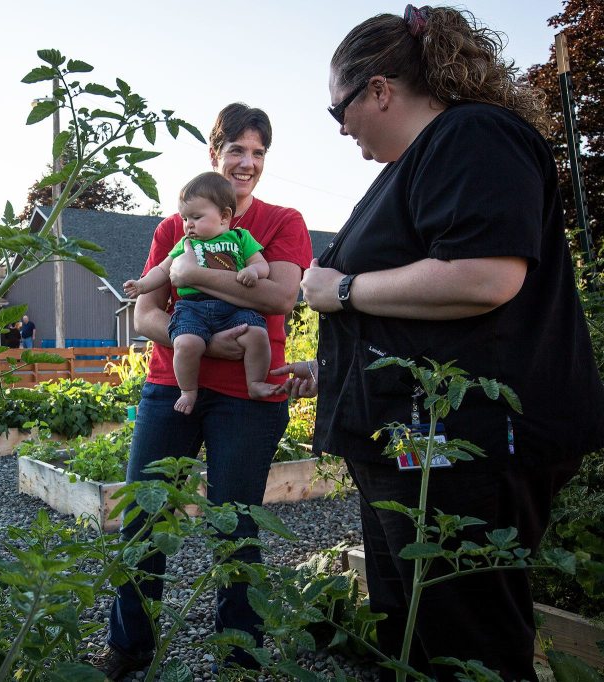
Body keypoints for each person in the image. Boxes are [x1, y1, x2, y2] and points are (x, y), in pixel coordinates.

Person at [283, 6, 604, 679]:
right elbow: (422, 307)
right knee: (419, 632)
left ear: (380, 89)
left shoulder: (475, 135)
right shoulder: (423, 160)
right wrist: (331, 367)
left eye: (337, 110)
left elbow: (484, 276)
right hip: (419, 445)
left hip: (469, 447)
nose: (340, 128)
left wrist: (340, 291)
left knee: (470, 643)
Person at [93, 103, 313, 678]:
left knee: (235, 521)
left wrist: (193, 278)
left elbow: (280, 299)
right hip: (172, 385)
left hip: (249, 393)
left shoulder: (282, 222)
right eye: (236, 150)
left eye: (258, 153)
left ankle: (239, 656)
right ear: (214, 155)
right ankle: (130, 645)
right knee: (144, 514)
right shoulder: (174, 227)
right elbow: (145, 316)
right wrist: (207, 342)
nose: (247, 163)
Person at [123, 171, 271, 414]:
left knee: (257, 336)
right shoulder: (184, 244)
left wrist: (253, 271)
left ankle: (255, 383)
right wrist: (141, 286)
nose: (188, 224)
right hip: (193, 309)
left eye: (196, 217)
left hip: (234, 308)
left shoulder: (241, 238)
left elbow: (262, 264)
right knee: (185, 343)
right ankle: (188, 391)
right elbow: (162, 271)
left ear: (224, 216)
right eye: (184, 218)